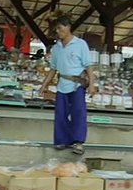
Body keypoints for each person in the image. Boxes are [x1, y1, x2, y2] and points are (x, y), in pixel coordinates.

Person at [39, 13, 95, 155]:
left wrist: (92, 85)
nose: (58, 32)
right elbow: (53, 69)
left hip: (77, 84)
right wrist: (44, 84)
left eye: (60, 28)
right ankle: (62, 140)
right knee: (61, 113)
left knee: (78, 113)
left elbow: (88, 66)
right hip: (62, 84)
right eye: (56, 29)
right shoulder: (56, 48)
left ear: (68, 27)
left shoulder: (80, 44)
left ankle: (77, 142)